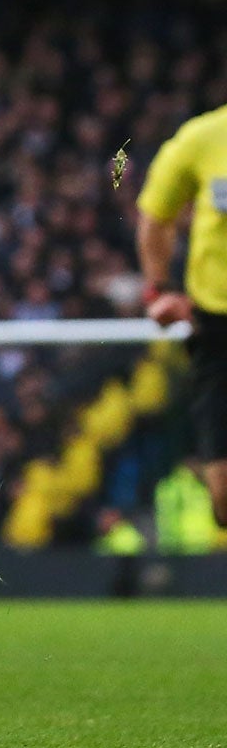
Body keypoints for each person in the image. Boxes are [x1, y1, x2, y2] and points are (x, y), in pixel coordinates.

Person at [136, 102, 227, 527]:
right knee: (223, 491)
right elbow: (156, 215)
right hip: (218, 329)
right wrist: (160, 289)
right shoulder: (204, 137)